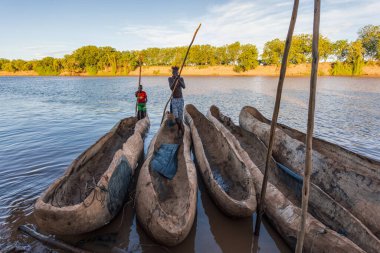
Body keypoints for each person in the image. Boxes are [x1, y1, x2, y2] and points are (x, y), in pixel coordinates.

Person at [168, 66, 185, 134]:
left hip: (180, 99)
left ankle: (180, 129)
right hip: (174, 100)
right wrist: (175, 79)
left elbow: (184, 86)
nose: (175, 73)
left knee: (180, 117)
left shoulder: (181, 78)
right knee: (176, 117)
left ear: (178, 72)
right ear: (172, 72)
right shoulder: (170, 79)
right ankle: (180, 129)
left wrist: (179, 79)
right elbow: (171, 88)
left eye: (176, 72)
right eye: (174, 72)